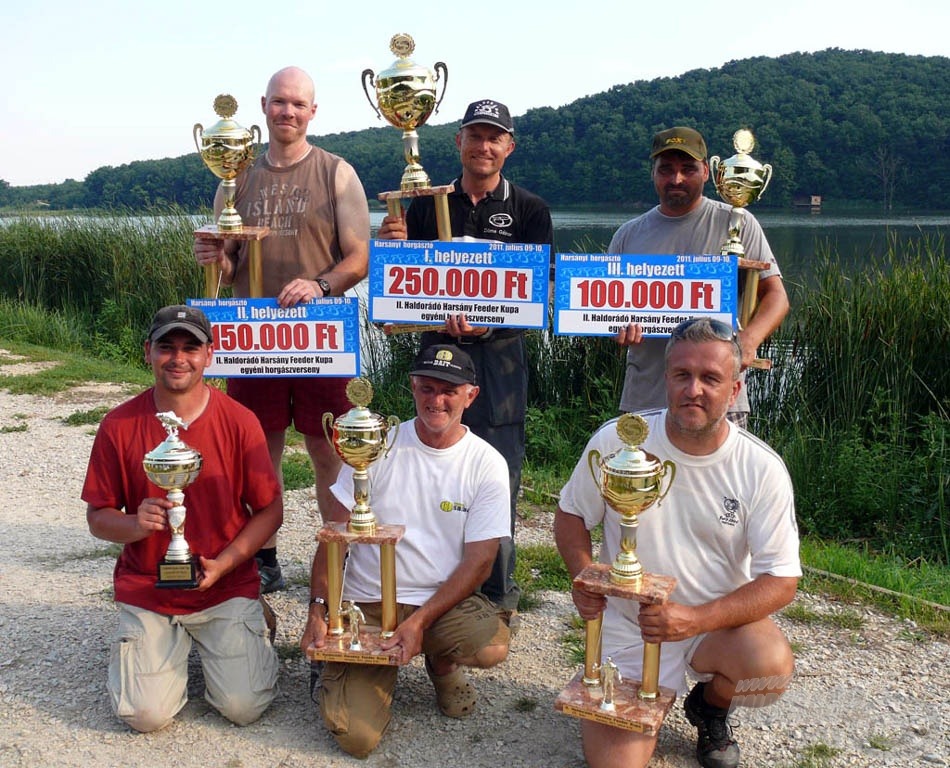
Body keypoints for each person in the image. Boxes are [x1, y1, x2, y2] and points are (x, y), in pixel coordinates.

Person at [554, 317, 801, 768]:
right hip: (631, 625)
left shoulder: (761, 467)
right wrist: (583, 577)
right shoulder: (617, 441)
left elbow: (782, 579)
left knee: (769, 666)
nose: (694, 390)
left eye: (711, 378)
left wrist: (694, 619)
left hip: (713, 626)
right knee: (615, 765)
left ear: (735, 387)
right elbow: (570, 514)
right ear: (666, 378)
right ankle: (627, 687)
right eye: (682, 375)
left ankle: (709, 707)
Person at [193, 66, 370, 592]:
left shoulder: (337, 172)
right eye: (279, 102)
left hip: (319, 337)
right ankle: (263, 555)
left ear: (313, 111)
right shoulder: (234, 177)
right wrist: (213, 258)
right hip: (253, 337)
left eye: (298, 104)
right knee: (257, 448)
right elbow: (228, 266)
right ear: (263, 106)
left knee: (329, 448)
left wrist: (320, 285)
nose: (287, 112)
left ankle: (338, 550)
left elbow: (359, 259)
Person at [377, 98, 554, 619]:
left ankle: (497, 595)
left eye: (494, 137)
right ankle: (431, 584)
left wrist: (492, 321)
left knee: (498, 475)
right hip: (438, 357)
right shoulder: (426, 204)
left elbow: (540, 292)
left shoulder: (530, 210)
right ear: (458, 141)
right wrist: (392, 245)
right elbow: (399, 287)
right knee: (433, 471)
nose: (484, 146)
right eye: (474, 135)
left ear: (509, 146)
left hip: (499, 364)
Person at [301, 344, 512, 758]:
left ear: (471, 395)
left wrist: (419, 624)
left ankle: (441, 663)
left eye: (450, 391)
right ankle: (342, 669)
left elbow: (480, 560)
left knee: (489, 645)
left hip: (437, 605)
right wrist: (318, 607)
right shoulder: (375, 444)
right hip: (367, 605)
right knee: (357, 741)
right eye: (427, 388)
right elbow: (334, 537)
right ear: (412, 388)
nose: (437, 400)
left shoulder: (487, 463)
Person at [82, 305, 283, 733]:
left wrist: (226, 563)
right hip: (149, 588)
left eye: (190, 348)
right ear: (147, 352)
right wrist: (134, 525)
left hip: (223, 585)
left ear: (209, 355)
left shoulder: (240, 421)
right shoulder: (119, 424)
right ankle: (163, 641)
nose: (178, 358)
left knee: (243, 707)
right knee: (145, 716)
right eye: (166, 347)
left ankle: (252, 613)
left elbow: (270, 510)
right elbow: (98, 516)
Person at [610, 126, 790, 429]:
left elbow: (777, 297)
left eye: (688, 169)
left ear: (707, 171)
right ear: (653, 173)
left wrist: (750, 339)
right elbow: (605, 312)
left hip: (720, 400)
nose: (676, 179)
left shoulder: (739, 222)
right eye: (666, 169)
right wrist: (615, 328)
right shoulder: (628, 236)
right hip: (645, 400)